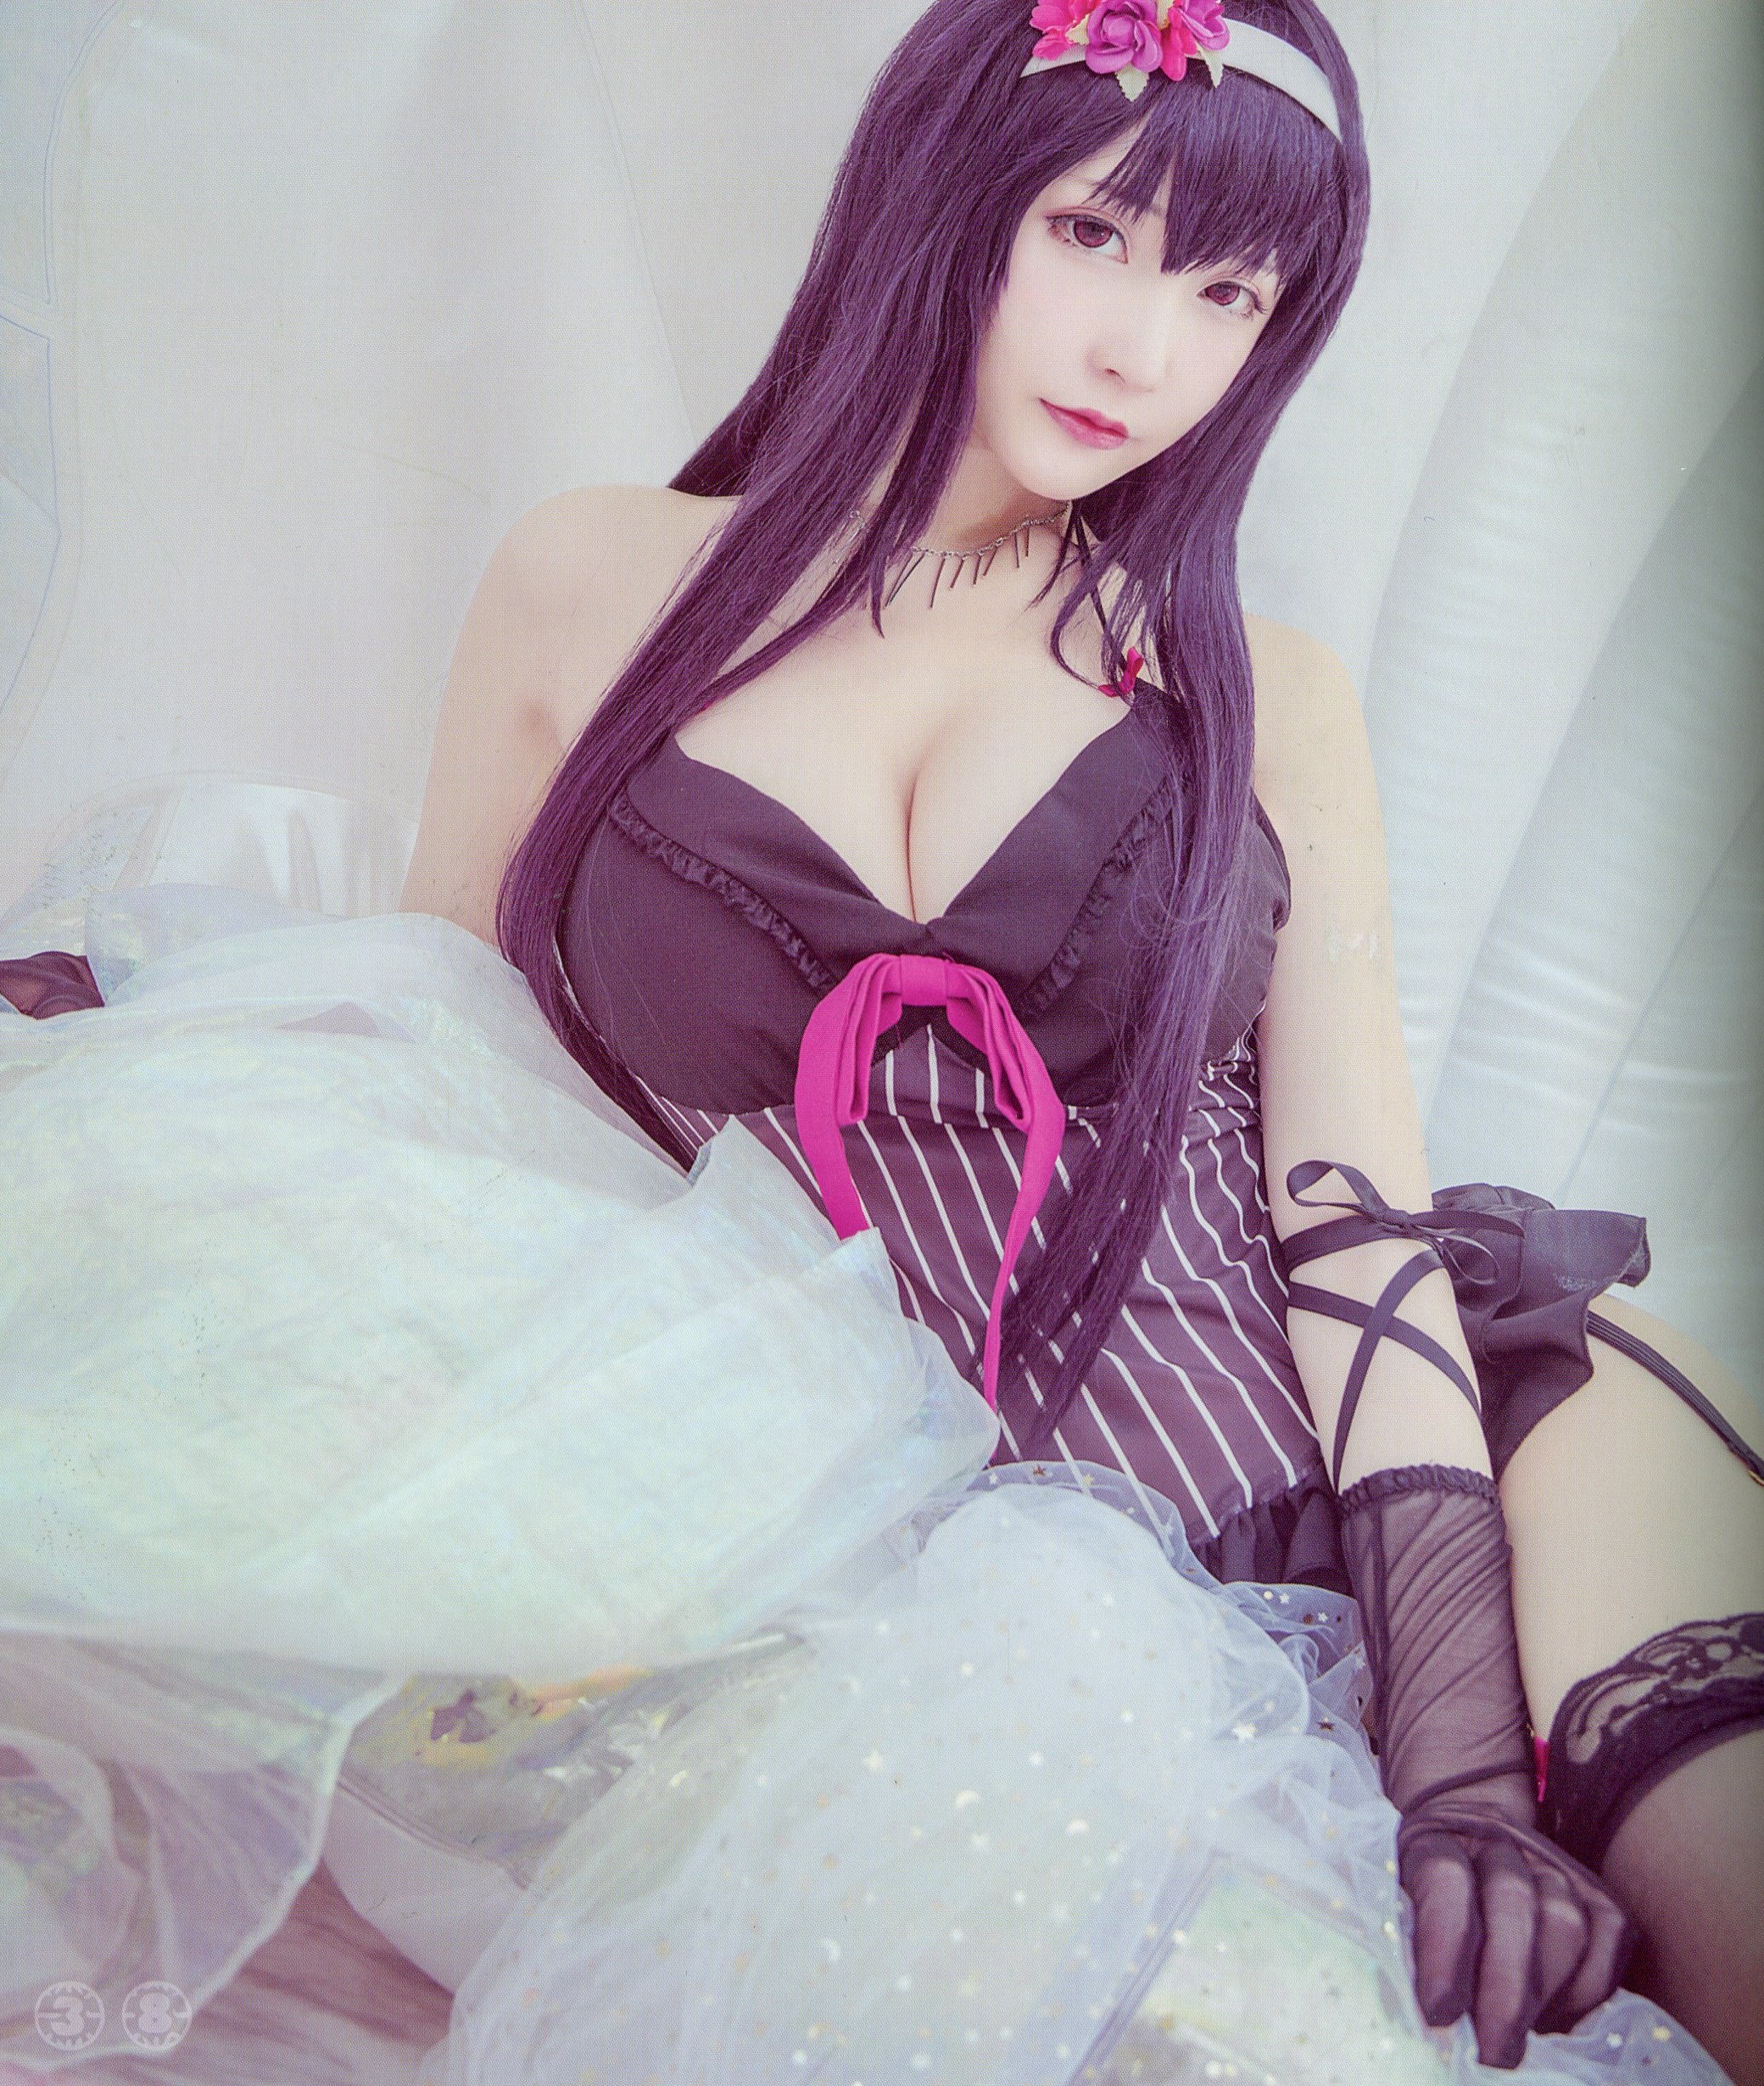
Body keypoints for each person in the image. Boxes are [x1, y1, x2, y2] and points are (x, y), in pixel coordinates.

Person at [394, 0, 1764, 2074]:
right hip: (935, 1565)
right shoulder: (591, 585)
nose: (1144, 350)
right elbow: (429, 1076)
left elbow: (1351, 1216)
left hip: (1424, 1441)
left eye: (1229, 296)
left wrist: (1464, 1776)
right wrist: (146, 1034)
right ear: (946, 196)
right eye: (1094, 235)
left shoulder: (1258, 693)